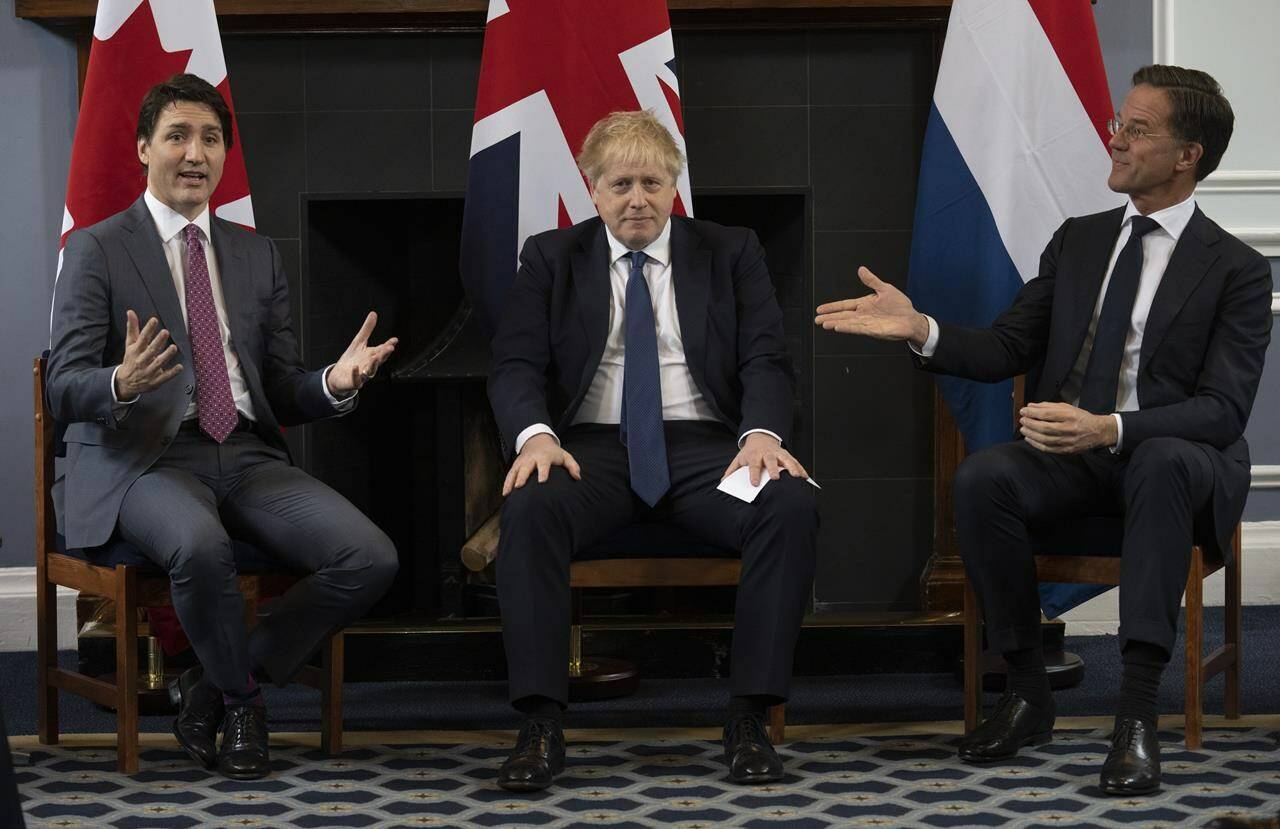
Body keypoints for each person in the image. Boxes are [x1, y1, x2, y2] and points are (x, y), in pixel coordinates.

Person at [815, 65, 1271, 795]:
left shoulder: (1239, 270)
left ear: (1189, 155)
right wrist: (921, 327)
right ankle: (1027, 691)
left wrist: (1110, 427)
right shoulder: (1080, 242)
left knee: (1159, 463)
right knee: (986, 476)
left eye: (1137, 128)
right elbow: (1006, 347)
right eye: (1119, 122)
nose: (1114, 138)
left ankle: (1135, 715)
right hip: (1076, 459)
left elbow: (1222, 411)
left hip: (1178, 464)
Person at [47, 73, 400, 780]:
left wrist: (331, 383)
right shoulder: (99, 247)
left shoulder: (255, 253)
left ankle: (206, 686)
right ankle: (241, 702)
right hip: (142, 459)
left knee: (370, 556)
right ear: (144, 148)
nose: (194, 152)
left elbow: (277, 386)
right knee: (201, 546)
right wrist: (120, 381)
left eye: (209, 138)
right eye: (177, 135)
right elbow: (63, 385)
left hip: (242, 454)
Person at [486, 110, 818, 791]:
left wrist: (760, 435)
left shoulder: (731, 250)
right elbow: (514, 364)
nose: (637, 198)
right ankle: (542, 722)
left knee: (788, 503)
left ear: (674, 185)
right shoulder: (551, 258)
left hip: (708, 452)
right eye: (620, 184)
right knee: (530, 507)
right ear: (592, 188)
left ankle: (749, 716)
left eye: (652, 182)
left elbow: (766, 357)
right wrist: (536, 435)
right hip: (591, 451)